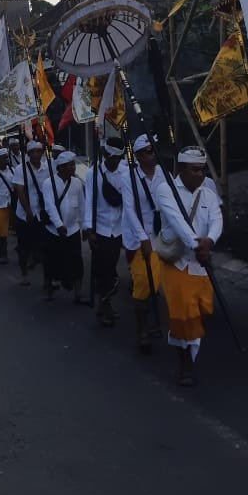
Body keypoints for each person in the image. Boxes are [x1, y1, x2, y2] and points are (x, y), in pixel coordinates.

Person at [156, 147, 223, 386]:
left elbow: (217, 219)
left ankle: (190, 352)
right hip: (177, 262)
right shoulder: (166, 190)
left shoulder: (209, 193)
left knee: (201, 311)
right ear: (181, 169)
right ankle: (185, 363)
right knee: (181, 314)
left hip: (201, 262)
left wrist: (210, 240)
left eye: (202, 169)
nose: (200, 174)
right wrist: (197, 244)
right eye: (195, 169)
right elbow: (177, 221)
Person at [120, 134, 165, 353]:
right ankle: (143, 329)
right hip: (139, 238)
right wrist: (143, 238)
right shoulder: (129, 178)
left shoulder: (163, 174)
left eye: (154, 149)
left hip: (160, 235)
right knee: (142, 283)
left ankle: (155, 319)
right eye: (148, 151)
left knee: (155, 283)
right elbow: (129, 210)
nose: (153, 153)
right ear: (138, 156)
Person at [83, 141, 125, 326]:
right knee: (103, 270)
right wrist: (89, 229)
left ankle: (104, 303)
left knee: (111, 269)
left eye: (118, 159)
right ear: (106, 155)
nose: (115, 162)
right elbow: (89, 202)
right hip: (100, 229)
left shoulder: (124, 173)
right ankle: (104, 304)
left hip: (118, 230)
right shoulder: (93, 174)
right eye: (112, 158)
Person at [13, 141, 60, 288]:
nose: (36, 154)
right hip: (25, 214)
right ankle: (24, 274)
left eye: (38, 151)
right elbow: (20, 191)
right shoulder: (21, 169)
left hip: (43, 214)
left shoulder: (48, 167)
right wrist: (28, 212)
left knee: (47, 247)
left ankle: (49, 280)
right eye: (33, 152)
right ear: (28, 154)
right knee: (24, 247)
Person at [44, 152, 83, 301]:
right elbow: (50, 206)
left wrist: (85, 226)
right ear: (60, 168)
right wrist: (59, 224)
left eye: (73, 164)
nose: (73, 167)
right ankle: (50, 289)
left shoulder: (77, 183)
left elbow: (82, 204)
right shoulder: (49, 183)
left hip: (72, 229)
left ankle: (78, 292)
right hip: (54, 231)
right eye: (70, 165)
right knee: (52, 261)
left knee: (76, 261)